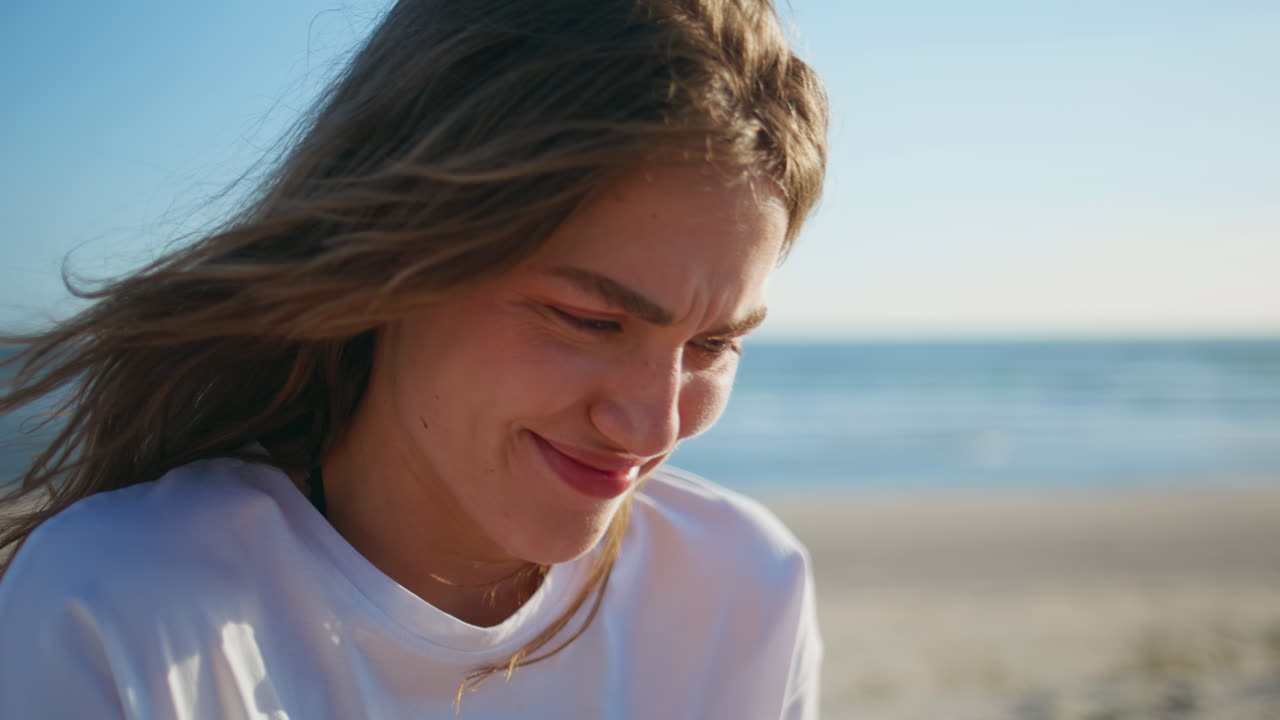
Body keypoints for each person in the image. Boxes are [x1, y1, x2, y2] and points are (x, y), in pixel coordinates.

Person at [0, 0, 828, 717]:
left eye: (713, 344)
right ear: (394, 257)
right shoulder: (117, 608)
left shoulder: (742, 591)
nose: (651, 424)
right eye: (589, 319)